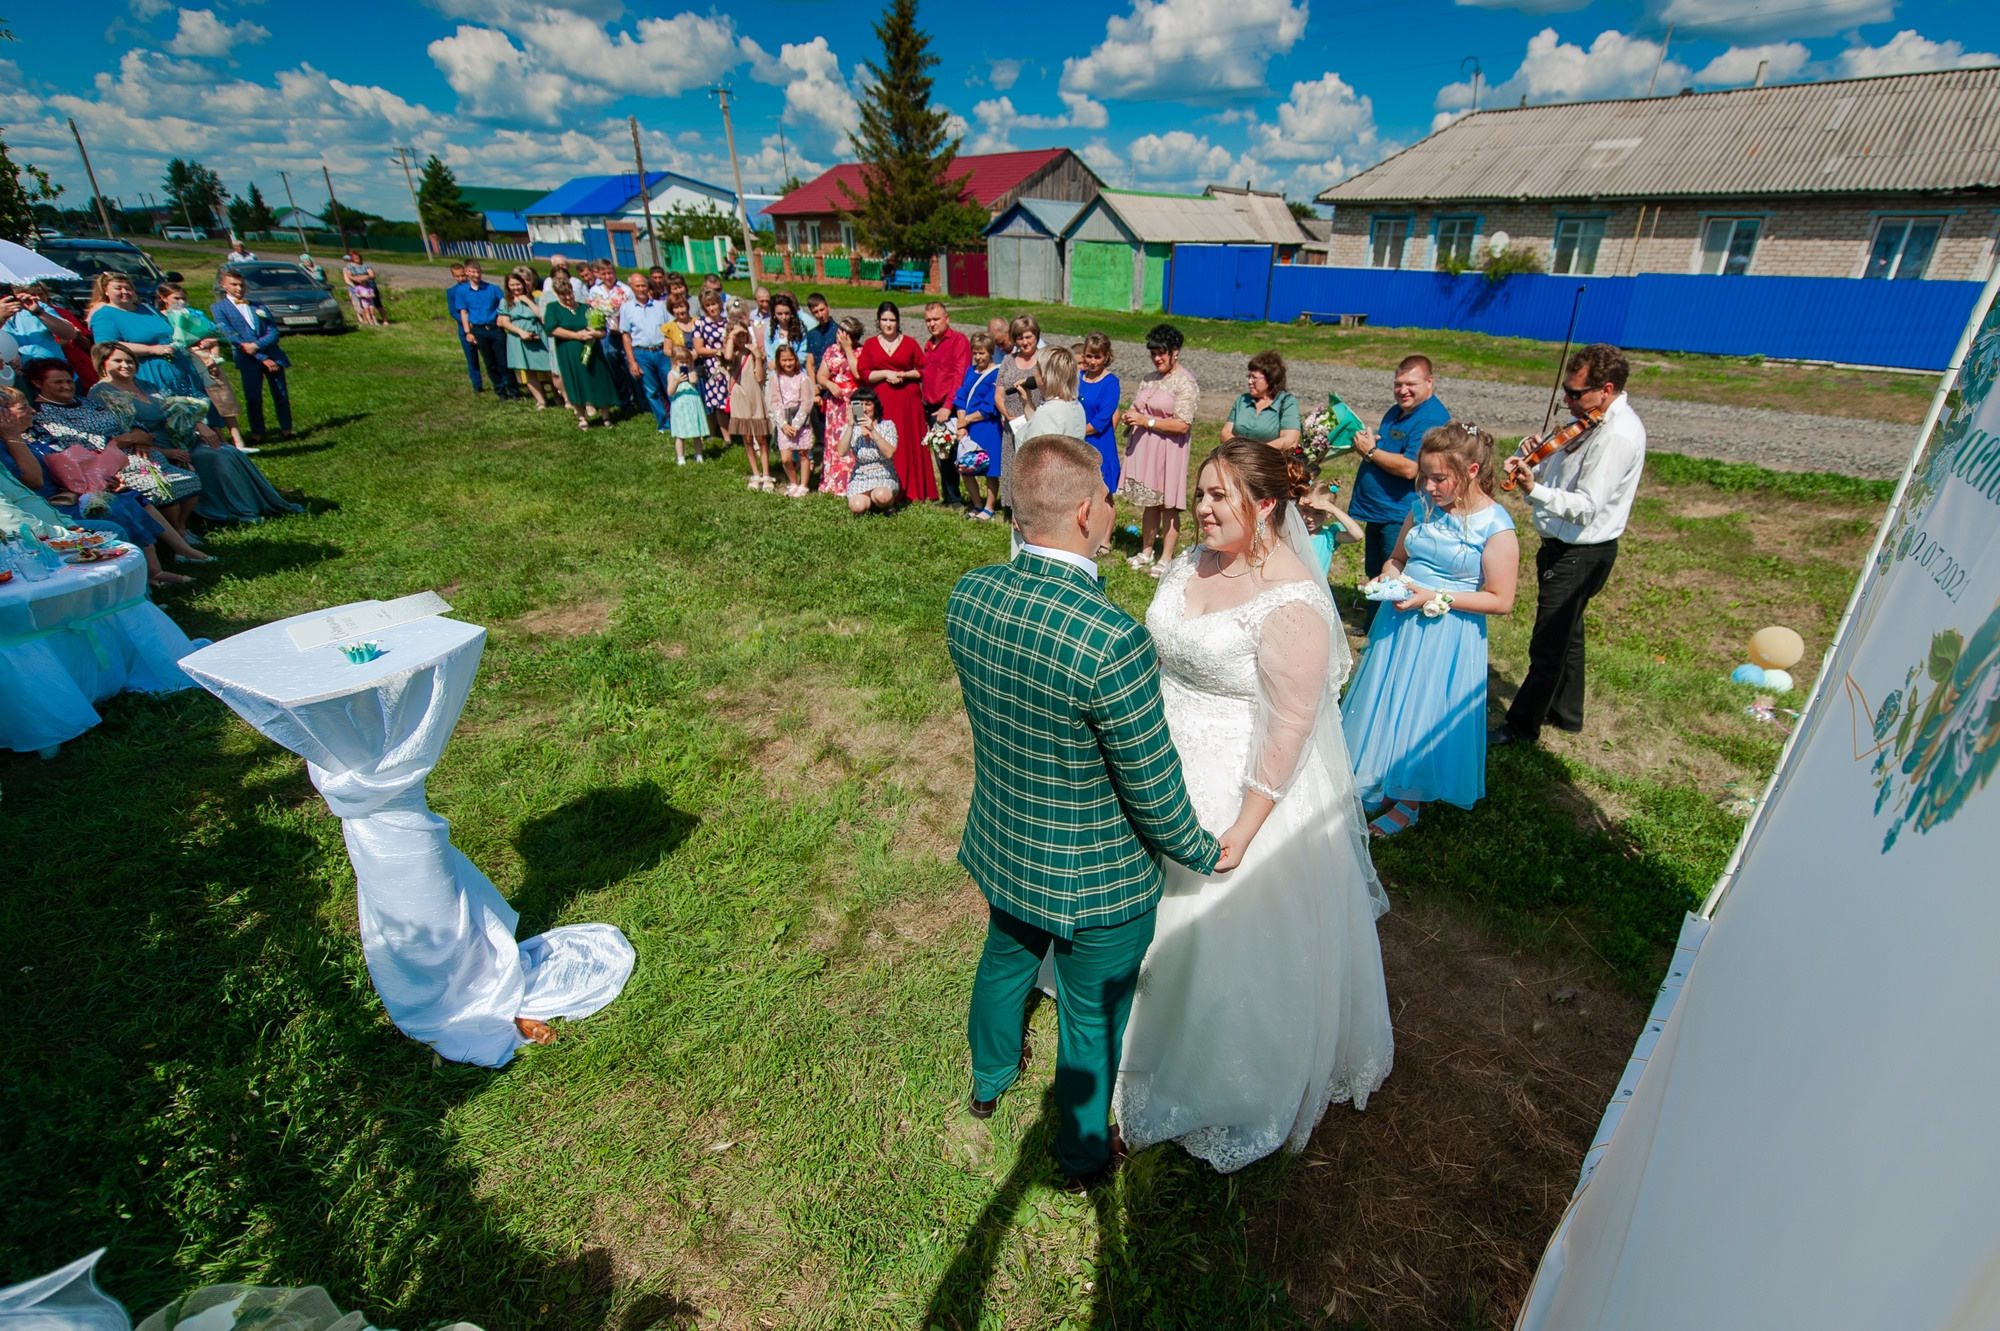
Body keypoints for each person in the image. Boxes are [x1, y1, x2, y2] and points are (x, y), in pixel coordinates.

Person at [946, 433, 1234, 1189]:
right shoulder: (1113, 641)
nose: (1113, 507)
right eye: (1108, 496)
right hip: (1095, 876)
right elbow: (1153, 789)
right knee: (1091, 1017)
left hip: (1004, 840)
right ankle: (1080, 1158)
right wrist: (1205, 850)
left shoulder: (969, 594)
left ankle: (988, 1079)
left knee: (1005, 959)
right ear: (1084, 514)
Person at [1113, 437, 1393, 1174]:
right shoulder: (1194, 559)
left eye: (1219, 496)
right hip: (1159, 755)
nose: (1201, 508)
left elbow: (1291, 727)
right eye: (1201, 493)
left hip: (1234, 778)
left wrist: (1243, 825)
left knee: (1212, 931)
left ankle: (1207, 1063)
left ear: (1265, 505)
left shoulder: (1292, 601)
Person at [1342, 423, 1519, 836]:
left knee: (1425, 706)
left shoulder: (1495, 525)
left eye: (1440, 478)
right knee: (1389, 697)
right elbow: (1397, 558)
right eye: (1425, 476)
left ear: (1472, 471)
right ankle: (1382, 776)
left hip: (1447, 632)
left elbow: (1501, 599)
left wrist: (1434, 595)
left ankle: (1410, 799)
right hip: (1400, 620)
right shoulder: (1422, 506)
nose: (1429, 486)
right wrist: (1389, 579)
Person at [1495, 343, 1646, 750]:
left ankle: (1521, 726)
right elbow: (1561, 470)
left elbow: (1585, 508)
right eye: (1565, 390)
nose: (1567, 400)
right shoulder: (1589, 421)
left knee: (1548, 643)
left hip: (1580, 553)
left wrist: (1533, 488)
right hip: (1565, 547)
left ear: (1606, 390)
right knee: (1569, 633)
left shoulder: (1617, 436)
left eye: (1576, 393)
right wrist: (1533, 458)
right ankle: (1567, 712)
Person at [0, 385, 202, 585]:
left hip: (66, 495)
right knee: (115, 510)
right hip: (51, 507)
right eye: (23, 407)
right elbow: (34, 482)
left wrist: (98, 480)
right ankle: (136, 578)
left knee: (127, 498)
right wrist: (13, 437)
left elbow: (62, 470)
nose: (32, 411)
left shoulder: (29, 438)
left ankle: (159, 567)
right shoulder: (9, 444)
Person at [90, 342, 301, 524]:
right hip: (151, 448)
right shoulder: (101, 393)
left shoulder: (144, 384)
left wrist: (200, 425)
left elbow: (175, 406)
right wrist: (166, 451)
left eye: (130, 361)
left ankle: (263, 502)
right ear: (103, 364)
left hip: (180, 436)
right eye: (118, 361)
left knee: (228, 451)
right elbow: (118, 436)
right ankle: (237, 510)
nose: (126, 365)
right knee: (214, 457)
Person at [25, 358, 202, 544]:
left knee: (190, 479)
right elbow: (80, 445)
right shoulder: (42, 415)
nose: (67, 386)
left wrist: (140, 434)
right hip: (106, 467)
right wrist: (130, 439)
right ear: (37, 383)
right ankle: (175, 538)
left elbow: (129, 421)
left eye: (69, 381)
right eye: (58, 382)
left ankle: (180, 528)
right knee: (163, 487)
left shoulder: (85, 402)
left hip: (137, 453)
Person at [1349, 355, 1447, 630]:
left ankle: (1386, 631)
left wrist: (1370, 451)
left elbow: (1410, 468)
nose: (1403, 390)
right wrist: (1373, 444)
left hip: (1401, 513)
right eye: (1398, 384)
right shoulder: (1397, 411)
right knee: (1376, 571)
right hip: (1379, 510)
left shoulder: (1431, 419)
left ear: (1430, 382)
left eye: (1410, 384)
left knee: (1395, 576)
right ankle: (1371, 626)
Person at [1120, 323, 1197, 576]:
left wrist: (1147, 422)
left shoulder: (1185, 382)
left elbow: (1182, 424)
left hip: (1169, 449)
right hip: (1146, 448)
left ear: (1175, 351)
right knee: (1150, 502)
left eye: (1161, 353)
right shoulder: (1149, 378)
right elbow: (1138, 407)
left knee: (1168, 504)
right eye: (1153, 353)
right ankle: (1146, 551)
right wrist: (1131, 415)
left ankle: (1166, 557)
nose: (1157, 358)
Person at [156, 282, 251, 452]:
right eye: (176, 298)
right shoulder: (159, 318)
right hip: (178, 361)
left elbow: (211, 332)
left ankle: (229, 442)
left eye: (184, 298)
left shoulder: (191, 314)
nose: (181, 302)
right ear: (163, 298)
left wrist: (209, 347)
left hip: (201, 360)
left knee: (214, 399)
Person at [84, 274, 207, 400]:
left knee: (200, 408)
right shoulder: (104, 315)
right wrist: (153, 349)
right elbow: (108, 346)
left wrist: (195, 339)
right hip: (149, 375)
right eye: (118, 288)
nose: (125, 291)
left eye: (128, 288)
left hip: (183, 369)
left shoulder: (148, 309)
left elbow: (173, 330)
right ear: (106, 291)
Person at [856, 301, 931, 503]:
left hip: (908, 401)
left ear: (898, 321)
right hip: (883, 400)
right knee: (884, 438)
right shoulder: (871, 344)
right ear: (878, 321)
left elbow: (922, 370)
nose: (888, 324)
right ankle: (885, 487)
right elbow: (864, 373)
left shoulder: (910, 343)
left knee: (907, 441)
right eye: (884, 320)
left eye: (892, 320)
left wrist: (904, 375)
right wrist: (885, 373)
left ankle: (912, 489)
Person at [210, 268, 296, 441]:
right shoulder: (219, 308)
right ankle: (257, 433)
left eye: (242, 285)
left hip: (272, 354)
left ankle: (287, 429)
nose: (239, 288)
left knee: (280, 393)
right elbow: (231, 335)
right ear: (224, 285)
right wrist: (263, 358)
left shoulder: (259, 306)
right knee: (253, 397)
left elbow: (273, 332)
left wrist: (257, 346)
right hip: (248, 359)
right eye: (234, 285)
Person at [543, 278, 617, 429]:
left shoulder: (585, 308)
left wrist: (594, 333)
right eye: (563, 295)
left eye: (569, 293)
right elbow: (551, 329)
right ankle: (581, 416)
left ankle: (605, 415)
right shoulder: (553, 308)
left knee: (599, 379)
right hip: (569, 350)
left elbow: (602, 330)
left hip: (593, 350)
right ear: (557, 294)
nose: (568, 297)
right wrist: (576, 335)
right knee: (575, 380)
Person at [922, 301, 971, 508]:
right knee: (940, 453)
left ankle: (955, 498)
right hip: (931, 406)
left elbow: (959, 376)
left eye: (936, 319)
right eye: (928, 320)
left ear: (946, 319)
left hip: (948, 407)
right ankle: (948, 496)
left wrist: (948, 405)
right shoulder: (929, 345)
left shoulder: (958, 341)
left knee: (951, 453)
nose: (932, 324)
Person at [994, 315, 1045, 514]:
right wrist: (1008, 416)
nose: (1024, 342)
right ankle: (1016, 509)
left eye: (1028, 337)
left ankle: (1036, 508)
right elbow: (999, 394)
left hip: (1038, 421)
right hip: (1013, 424)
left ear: (1036, 335)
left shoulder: (1045, 359)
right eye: (1020, 338)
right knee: (1014, 466)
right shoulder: (1008, 360)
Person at [952, 332, 1002, 520]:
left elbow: (990, 405)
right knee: (966, 466)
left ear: (990, 352)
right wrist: (961, 424)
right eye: (975, 353)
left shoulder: (997, 373)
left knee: (990, 470)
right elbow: (961, 397)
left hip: (988, 427)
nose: (978, 357)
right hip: (969, 427)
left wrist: (966, 420)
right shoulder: (970, 371)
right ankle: (977, 504)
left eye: (982, 353)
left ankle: (989, 507)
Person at [619, 272, 674, 434]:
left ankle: (678, 419)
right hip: (642, 353)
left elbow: (671, 329)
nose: (642, 289)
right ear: (632, 288)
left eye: (644, 285)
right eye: (638, 286)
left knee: (671, 386)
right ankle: (664, 424)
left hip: (662, 352)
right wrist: (632, 362)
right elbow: (626, 336)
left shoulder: (660, 306)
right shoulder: (626, 308)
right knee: (652, 391)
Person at [724, 311, 771, 490]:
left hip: (755, 398)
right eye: (738, 335)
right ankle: (755, 473)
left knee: (761, 438)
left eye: (744, 334)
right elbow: (728, 357)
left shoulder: (753, 353)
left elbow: (759, 377)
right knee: (747, 438)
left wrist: (757, 356)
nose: (741, 338)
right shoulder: (728, 354)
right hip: (740, 399)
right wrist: (731, 337)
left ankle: (766, 473)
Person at [455, 262, 516, 402]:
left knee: (504, 362)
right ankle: (500, 392)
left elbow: (505, 304)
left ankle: (514, 391)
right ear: (466, 272)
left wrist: (502, 318)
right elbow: (464, 312)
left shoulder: (492, 289)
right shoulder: (462, 291)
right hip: (479, 330)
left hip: (495, 329)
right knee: (489, 363)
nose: (476, 275)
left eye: (478, 272)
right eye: (472, 272)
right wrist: (468, 332)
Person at [1219, 351, 1301, 452]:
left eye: (1254, 377)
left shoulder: (1287, 403)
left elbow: (1290, 441)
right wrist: (1243, 450)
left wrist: (1256, 452)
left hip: (1269, 459)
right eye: (1249, 376)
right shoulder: (1242, 400)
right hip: (1238, 456)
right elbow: (1225, 433)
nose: (1249, 381)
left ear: (1270, 379)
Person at [817, 317, 862, 497]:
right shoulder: (831, 351)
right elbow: (820, 375)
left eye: (845, 335)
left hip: (856, 400)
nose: (839, 337)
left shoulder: (860, 351)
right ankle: (835, 480)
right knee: (835, 440)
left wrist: (849, 349)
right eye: (839, 333)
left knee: (855, 436)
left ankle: (853, 479)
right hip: (836, 403)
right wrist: (829, 384)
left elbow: (858, 374)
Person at [497, 270, 554, 410]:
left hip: (538, 335)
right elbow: (504, 322)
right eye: (512, 285)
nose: (515, 288)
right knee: (528, 371)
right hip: (518, 337)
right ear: (508, 286)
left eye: (518, 284)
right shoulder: (505, 302)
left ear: (523, 284)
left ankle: (561, 396)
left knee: (549, 368)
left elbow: (541, 314)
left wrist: (527, 300)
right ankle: (541, 401)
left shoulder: (535, 298)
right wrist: (521, 332)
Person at [587, 261, 637, 412]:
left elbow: (632, 310)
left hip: (624, 333)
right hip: (606, 334)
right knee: (614, 368)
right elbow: (592, 311)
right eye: (604, 274)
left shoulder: (625, 290)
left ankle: (639, 399)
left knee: (631, 366)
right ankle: (624, 401)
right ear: (599, 275)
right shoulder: (595, 291)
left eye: (610, 273)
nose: (607, 277)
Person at [839, 388, 898, 514]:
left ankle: (885, 504)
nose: (864, 409)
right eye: (859, 405)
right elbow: (842, 452)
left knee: (882, 496)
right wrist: (850, 426)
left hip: (884, 473)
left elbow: (889, 453)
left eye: (868, 404)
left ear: (875, 406)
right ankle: (868, 502)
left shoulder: (887, 425)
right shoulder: (852, 428)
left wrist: (872, 429)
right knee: (857, 507)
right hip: (861, 475)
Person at [1076, 332, 1121, 497]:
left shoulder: (1111, 383)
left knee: (1103, 498)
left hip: (1099, 444)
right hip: (1077, 443)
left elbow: (1101, 419)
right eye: (1089, 356)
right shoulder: (1077, 377)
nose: (1092, 361)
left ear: (1106, 356)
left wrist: (1075, 432)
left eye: (1097, 357)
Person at [770, 344, 815, 496]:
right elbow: (774, 402)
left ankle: (804, 484)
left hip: (800, 421)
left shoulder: (803, 379)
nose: (788, 363)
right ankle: (793, 482)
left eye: (790, 360)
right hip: (784, 421)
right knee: (785, 458)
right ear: (778, 361)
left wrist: (796, 424)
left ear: (795, 359)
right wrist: (783, 424)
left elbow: (807, 403)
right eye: (784, 360)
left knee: (803, 453)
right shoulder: (775, 378)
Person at [1298, 479, 1365, 580]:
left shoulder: (1329, 535)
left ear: (1328, 513)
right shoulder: (1291, 531)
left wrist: (1334, 509)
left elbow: (1358, 535)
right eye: (1306, 510)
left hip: (1316, 588)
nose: (1310, 518)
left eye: (1318, 512)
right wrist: (1293, 502)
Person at [1, 282, 79, 368]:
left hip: (53, 369)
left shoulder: (36, 305)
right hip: (15, 373)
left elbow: (70, 334)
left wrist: (38, 312)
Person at [690, 289, 731, 438]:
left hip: (729, 364)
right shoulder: (700, 323)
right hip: (713, 366)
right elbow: (699, 348)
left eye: (713, 304)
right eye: (708, 305)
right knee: (719, 402)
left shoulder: (727, 322)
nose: (712, 308)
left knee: (730, 398)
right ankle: (726, 437)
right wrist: (718, 351)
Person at [1025, 346, 1085, 441]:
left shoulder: (1048, 413)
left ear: (1044, 377)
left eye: (1037, 369)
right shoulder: (1076, 405)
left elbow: (1036, 447)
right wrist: (1026, 401)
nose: (1034, 373)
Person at [666, 346, 707, 465]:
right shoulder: (671, 374)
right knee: (680, 434)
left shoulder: (691, 371)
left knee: (697, 433)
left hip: (693, 403)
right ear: (675, 361)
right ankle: (680, 458)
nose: (685, 364)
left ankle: (699, 456)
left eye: (687, 361)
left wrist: (688, 377)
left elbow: (694, 380)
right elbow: (670, 392)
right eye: (681, 362)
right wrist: (677, 381)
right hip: (680, 405)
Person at [342, 252, 383, 327]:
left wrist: (365, 277)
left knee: (375, 304)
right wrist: (355, 282)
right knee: (362, 306)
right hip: (358, 288)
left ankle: (377, 320)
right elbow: (348, 277)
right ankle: (367, 320)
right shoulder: (348, 268)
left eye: (357, 257)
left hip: (369, 287)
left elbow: (372, 275)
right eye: (354, 258)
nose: (357, 259)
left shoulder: (366, 266)